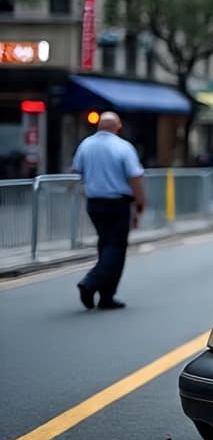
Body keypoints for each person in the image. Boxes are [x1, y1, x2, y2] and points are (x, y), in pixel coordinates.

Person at [71, 112, 146, 310]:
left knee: (105, 245)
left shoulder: (85, 145)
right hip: (117, 203)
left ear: (98, 126)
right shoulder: (123, 147)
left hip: (94, 203)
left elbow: (76, 171)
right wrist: (140, 203)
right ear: (118, 127)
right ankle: (91, 282)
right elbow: (135, 177)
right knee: (116, 248)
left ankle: (106, 297)